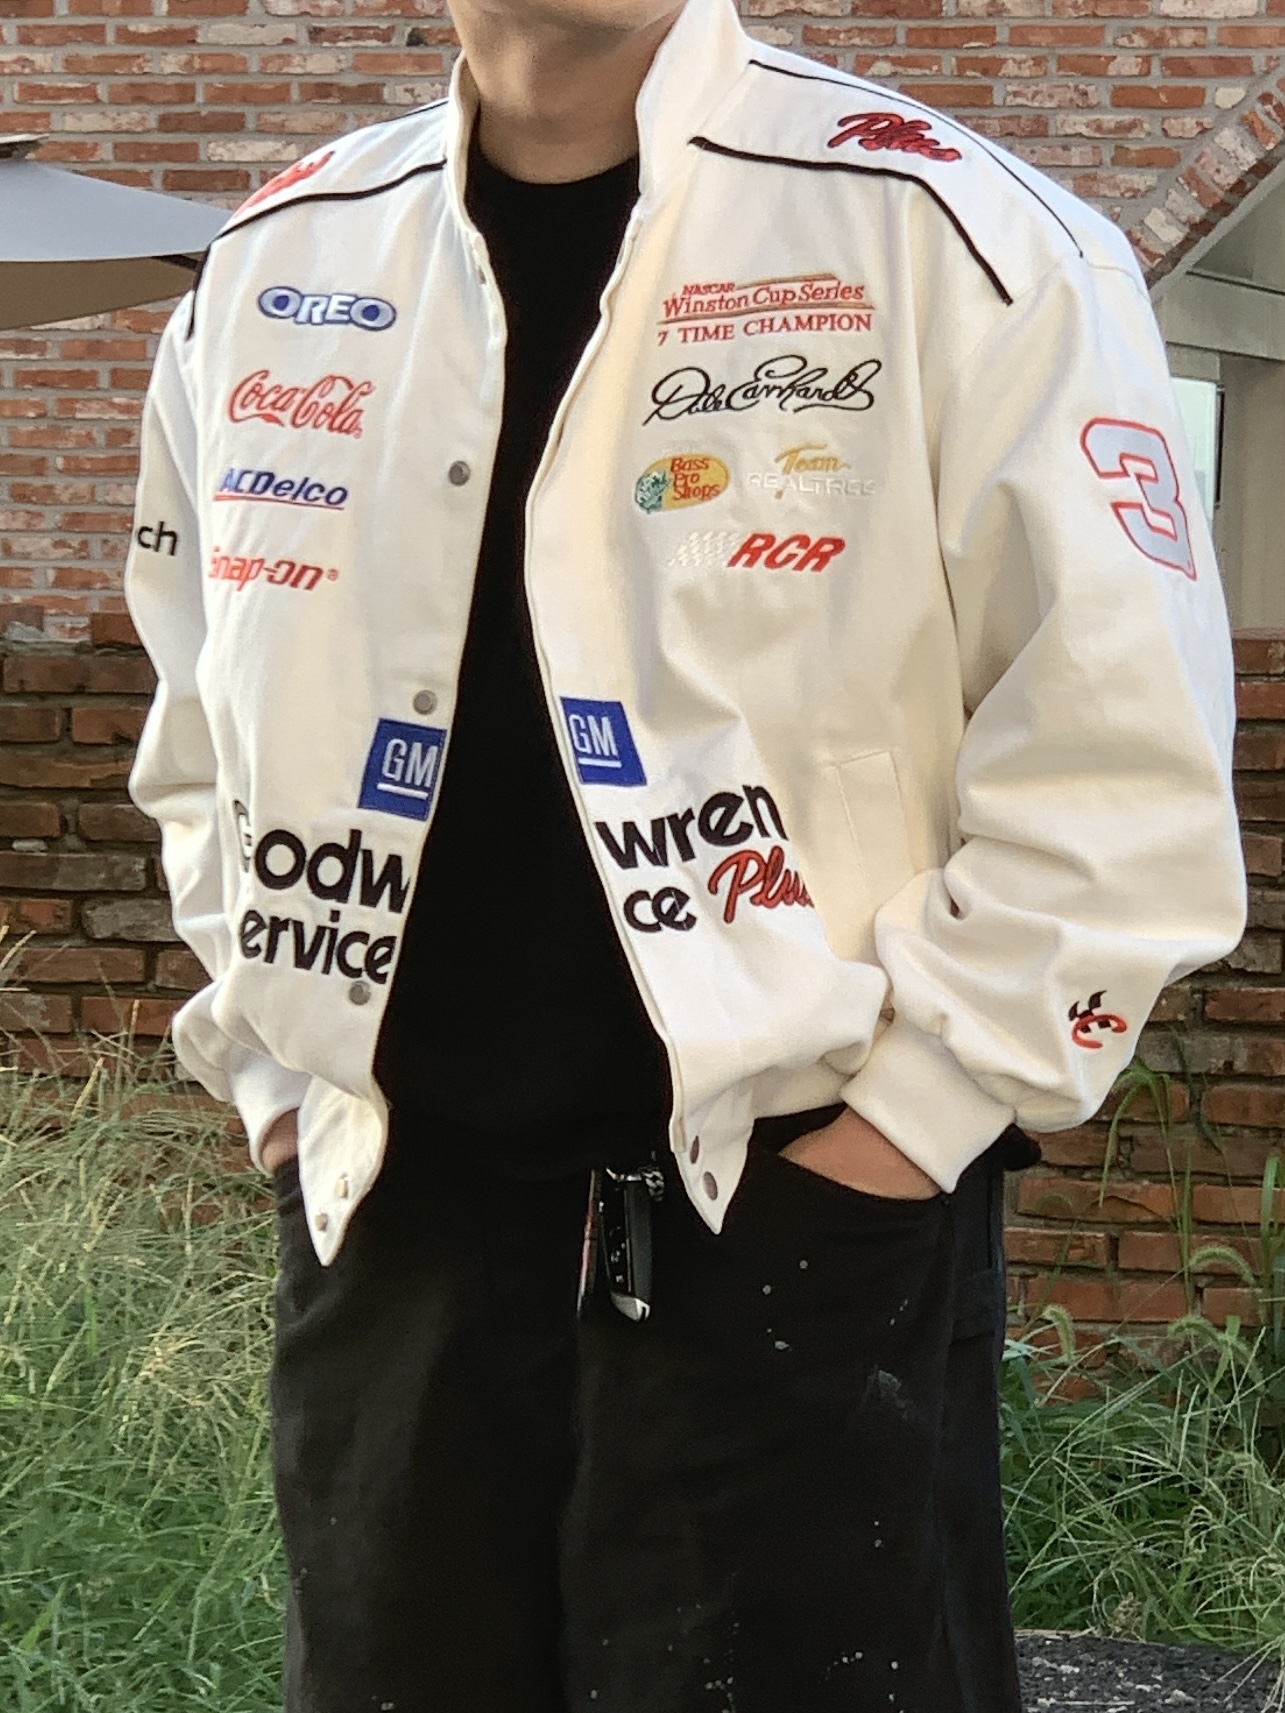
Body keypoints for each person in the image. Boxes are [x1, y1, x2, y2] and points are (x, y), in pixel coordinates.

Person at [124, 0, 1247, 1705]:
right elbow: (200, 728)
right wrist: (284, 1085)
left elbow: (1122, 761)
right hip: (390, 1225)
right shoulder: (276, 264)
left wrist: (902, 1134)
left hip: (796, 1218)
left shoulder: (951, 233)